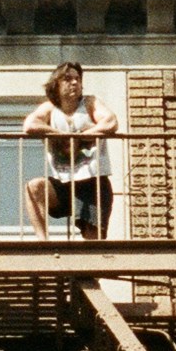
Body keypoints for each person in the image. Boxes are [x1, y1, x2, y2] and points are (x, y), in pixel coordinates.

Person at [23, 60, 120, 239]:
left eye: (77, 79)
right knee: (34, 187)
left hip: (93, 182)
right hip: (64, 183)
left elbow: (111, 122)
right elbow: (30, 125)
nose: (75, 82)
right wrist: (59, 134)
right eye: (68, 79)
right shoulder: (50, 108)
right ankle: (43, 244)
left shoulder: (90, 103)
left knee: (93, 240)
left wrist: (83, 135)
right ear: (56, 84)